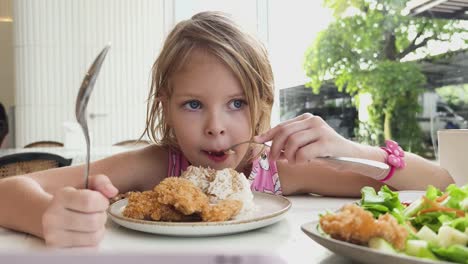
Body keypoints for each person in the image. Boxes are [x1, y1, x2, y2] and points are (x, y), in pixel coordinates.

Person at [0, 11, 454, 248]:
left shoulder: (276, 170)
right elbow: (9, 190)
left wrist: (345, 148)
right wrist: (45, 218)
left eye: (236, 104)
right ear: (167, 108)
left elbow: (439, 182)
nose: (216, 127)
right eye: (193, 104)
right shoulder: (157, 166)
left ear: (263, 104)